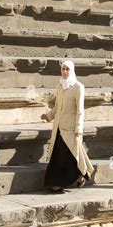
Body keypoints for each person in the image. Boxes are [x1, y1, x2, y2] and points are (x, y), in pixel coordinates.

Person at [41, 60, 93, 193]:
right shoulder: (60, 86)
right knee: (59, 155)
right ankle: (61, 181)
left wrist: (79, 128)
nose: (65, 72)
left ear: (72, 70)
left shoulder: (78, 87)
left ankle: (64, 182)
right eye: (63, 69)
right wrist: (48, 116)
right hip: (58, 127)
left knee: (69, 155)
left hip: (70, 129)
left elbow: (80, 110)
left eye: (67, 69)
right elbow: (57, 107)